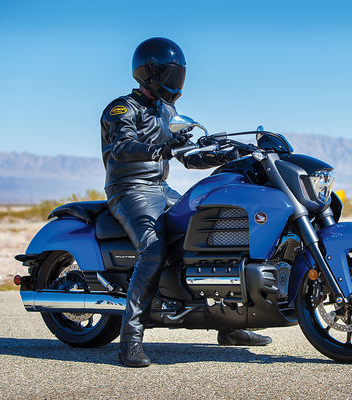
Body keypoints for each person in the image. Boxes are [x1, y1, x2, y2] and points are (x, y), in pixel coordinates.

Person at [101, 37, 271, 368]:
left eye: (178, 74)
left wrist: (226, 155)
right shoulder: (122, 109)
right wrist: (160, 149)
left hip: (161, 189)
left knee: (209, 238)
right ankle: (130, 339)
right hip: (129, 189)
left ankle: (229, 326)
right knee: (152, 250)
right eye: (169, 73)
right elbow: (122, 148)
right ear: (149, 72)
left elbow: (188, 158)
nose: (175, 81)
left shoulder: (168, 111)